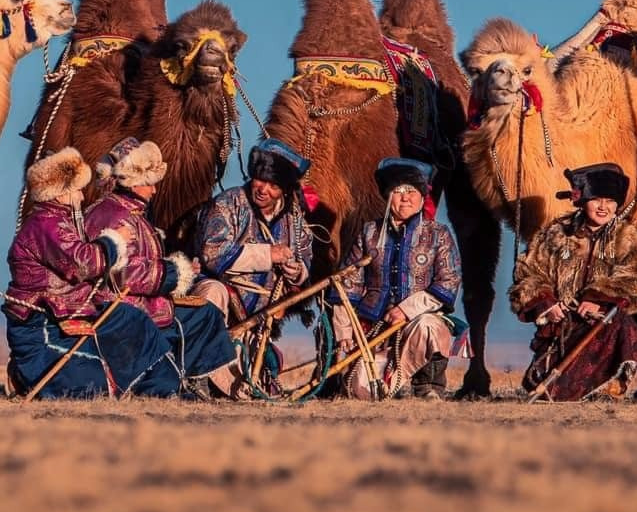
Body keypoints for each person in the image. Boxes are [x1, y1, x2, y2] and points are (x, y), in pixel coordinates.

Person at [2, 148, 176, 398]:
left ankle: (161, 387)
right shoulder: (47, 225)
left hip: (68, 312)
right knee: (95, 387)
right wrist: (115, 240)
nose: (83, 196)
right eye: (78, 189)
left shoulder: (58, 220)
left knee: (131, 318)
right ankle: (23, 375)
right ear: (61, 192)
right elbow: (84, 264)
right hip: (41, 327)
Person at [84, 139, 237, 391]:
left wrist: (179, 269)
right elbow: (127, 274)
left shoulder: (123, 211)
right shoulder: (118, 217)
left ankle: (188, 378)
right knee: (205, 316)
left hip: (137, 303)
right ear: (134, 181)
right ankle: (188, 380)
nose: (154, 190)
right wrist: (176, 272)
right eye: (150, 183)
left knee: (205, 313)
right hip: (127, 311)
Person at [509, 162, 637, 400]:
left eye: (610, 201)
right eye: (596, 199)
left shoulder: (629, 238)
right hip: (564, 324)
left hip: (606, 322)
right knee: (543, 386)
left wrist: (599, 298)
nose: (603, 207)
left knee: (624, 323)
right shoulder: (556, 234)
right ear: (583, 200)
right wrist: (548, 305)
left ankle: (610, 388)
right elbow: (528, 273)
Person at [331, 157, 464, 399]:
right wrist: (344, 333)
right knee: (361, 392)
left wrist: (405, 310)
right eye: (398, 191)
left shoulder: (438, 234)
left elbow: (448, 282)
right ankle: (380, 381)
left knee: (430, 326)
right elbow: (347, 285)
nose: (405, 198)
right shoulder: (369, 232)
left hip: (417, 322)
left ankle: (428, 387)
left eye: (412, 191)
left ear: (422, 197)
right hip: (374, 328)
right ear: (387, 196)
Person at [191, 137, 315, 395]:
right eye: (260, 180)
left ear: (284, 189)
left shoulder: (295, 219)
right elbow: (212, 253)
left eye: (273, 185)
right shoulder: (227, 203)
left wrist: (296, 270)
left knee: (251, 375)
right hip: (226, 299)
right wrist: (268, 254)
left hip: (262, 315)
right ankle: (197, 372)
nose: (263, 189)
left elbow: (305, 256)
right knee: (213, 292)